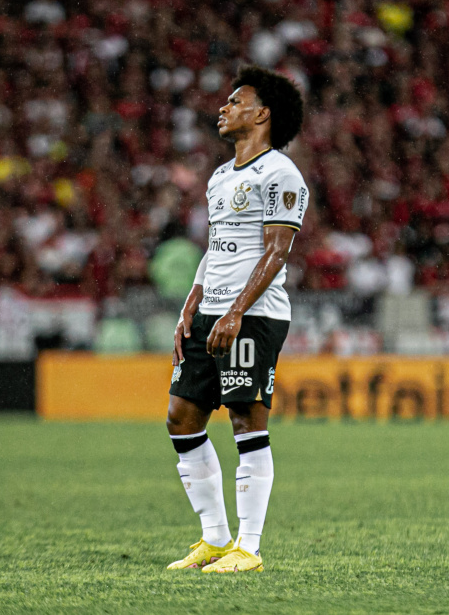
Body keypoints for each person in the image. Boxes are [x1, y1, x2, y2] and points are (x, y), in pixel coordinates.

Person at [166, 65, 307, 573]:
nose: (223, 108)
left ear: (262, 114)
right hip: (212, 311)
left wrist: (236, 311)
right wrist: (193, 302)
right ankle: (215, 539)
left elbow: (276, 252)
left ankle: (249, 547)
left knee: (247, 421)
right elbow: (217, 247)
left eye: (235, 101)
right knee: (181, 420)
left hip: (253, 315)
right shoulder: (222, 176)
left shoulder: (281, 174)